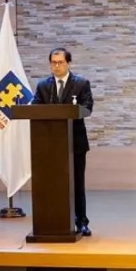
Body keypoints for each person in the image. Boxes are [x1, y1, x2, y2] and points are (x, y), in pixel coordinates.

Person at [32, 48, 95, 236]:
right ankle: (53, 220)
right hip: (50, 145)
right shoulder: (43, 85)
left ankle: (81, 221)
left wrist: (71, 111)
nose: (56, 66)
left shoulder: (81, 83)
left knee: (76, 184)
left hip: (74, 143)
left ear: (68, 63)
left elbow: (88, 108)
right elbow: (35, 108)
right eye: (53, 62)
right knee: (52, 184)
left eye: (60, 62)